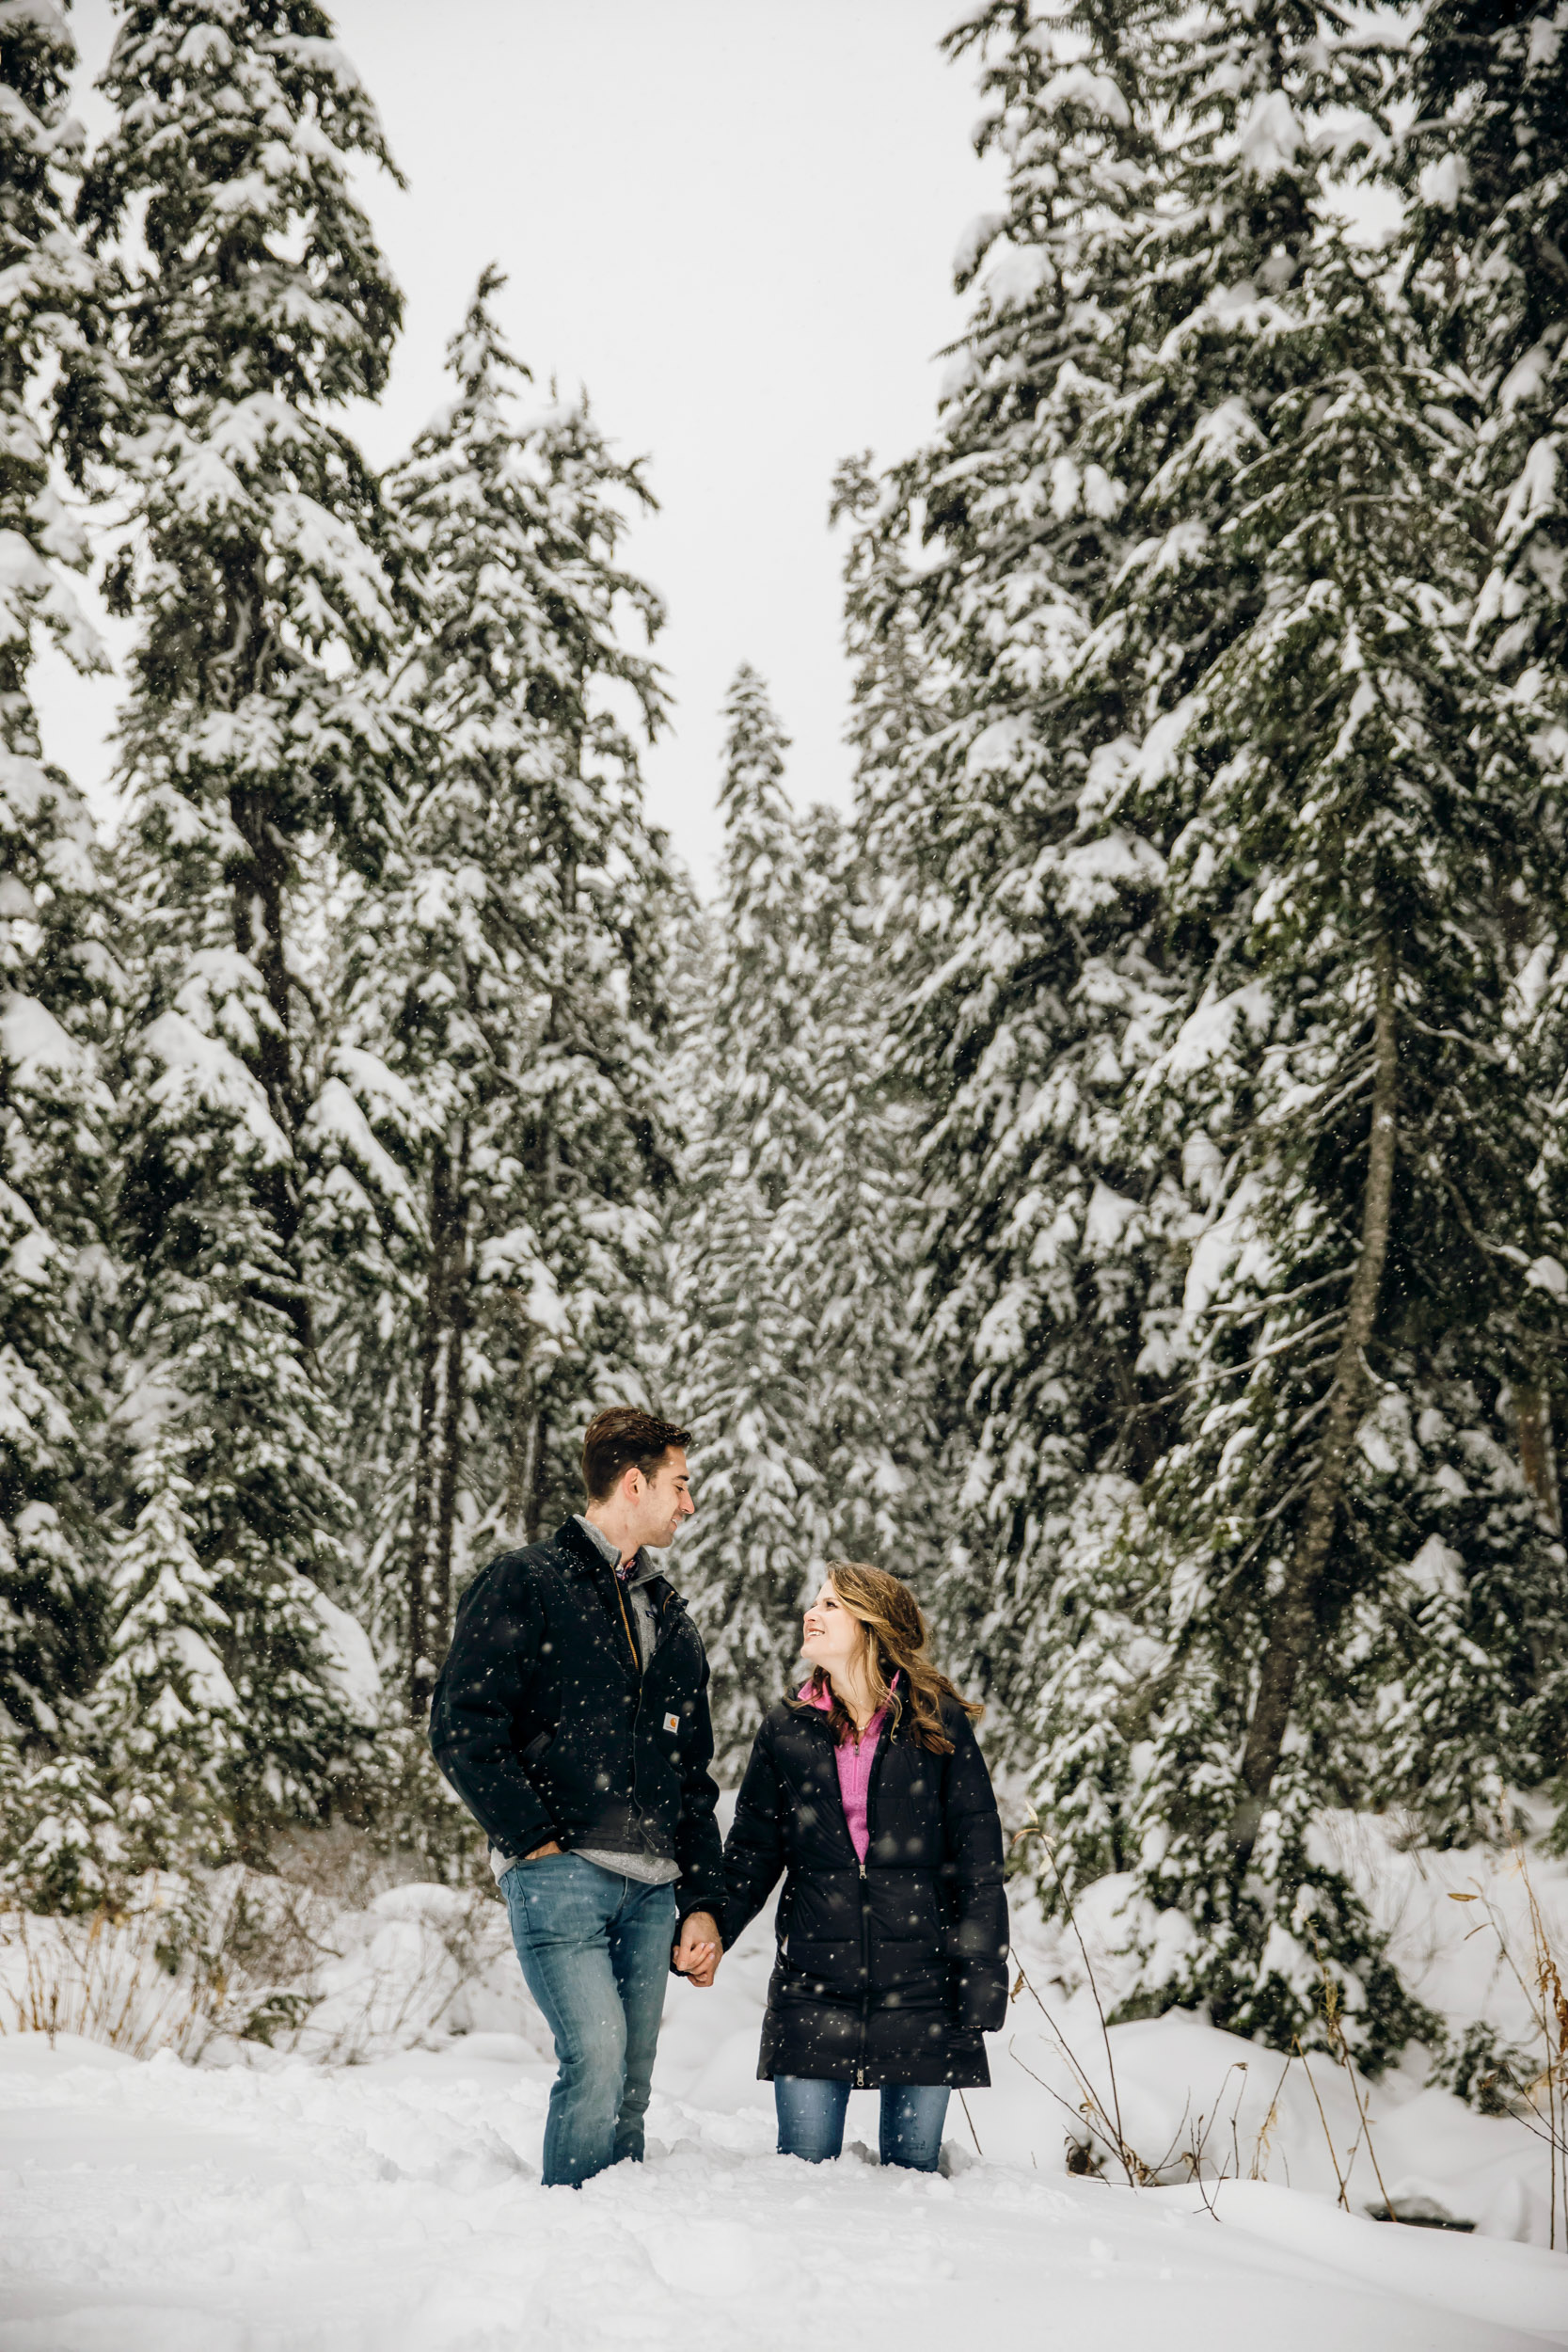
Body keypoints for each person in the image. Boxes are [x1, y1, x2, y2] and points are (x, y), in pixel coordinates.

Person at [429, 1407, 724, 2189]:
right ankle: (563, 2234)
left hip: (654, 1888)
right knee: (593, 2058)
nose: (688, 1505)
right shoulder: (526, 1581)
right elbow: (463, 1726)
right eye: (679, 1485)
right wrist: (533, 1841)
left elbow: (692, 1775)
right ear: (634, 1483)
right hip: (562, 1872)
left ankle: (611, 2257)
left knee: (629, 2086)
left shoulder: (673, 1620)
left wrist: (702, 1900)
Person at [721, 1561, 1008, 2173]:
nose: (812, 1614)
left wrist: (981, 1973)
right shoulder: (786, 1728)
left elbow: (977, 1859)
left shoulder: (935, 1723)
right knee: (803, 2178)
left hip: (922, 1991)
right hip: (812, 1986)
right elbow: (752, 1850)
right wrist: (707, 1928)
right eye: (814, 1602)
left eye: (830, 1605)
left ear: (873, 1625)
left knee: (912, 2184)